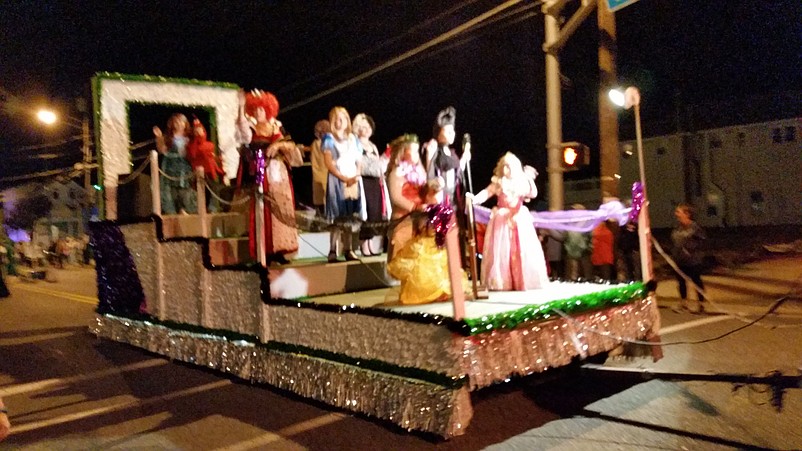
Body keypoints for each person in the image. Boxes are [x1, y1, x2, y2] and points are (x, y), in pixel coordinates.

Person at [236, 89, 303, 265]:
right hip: (261, 172)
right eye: (256, 109)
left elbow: (290, 144)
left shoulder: (276, 126)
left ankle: (280, 249)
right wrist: (241, 107)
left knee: (282, 207)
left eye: (262, 109)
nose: (259, 112)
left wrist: (278, 146)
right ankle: (266, 250)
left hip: (279, 174)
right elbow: (243, 134)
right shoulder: (250, 128)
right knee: (264, 208)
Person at [385, 134, 453, 304]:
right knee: (407, 257)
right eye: (413, 151)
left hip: (421, 219)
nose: (416, 154)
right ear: (403, 152)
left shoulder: (420, 170)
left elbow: (425, 190)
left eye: (417, 151)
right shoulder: (396, 172)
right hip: (404, 219)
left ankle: (425, 290)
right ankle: (409, 292)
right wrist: (414, 207)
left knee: (422, 257)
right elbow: (396, 197)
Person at [468, 153, 549, 291]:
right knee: (502, 250)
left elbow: (533, 193)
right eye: (504, 166)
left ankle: (524, 281)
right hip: (502, 219)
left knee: (523, 249)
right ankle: (504, 281)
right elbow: (487, 193)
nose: (506, 170)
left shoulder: (520, 181)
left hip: (519, 218)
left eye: (509, 167)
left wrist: (529, 179)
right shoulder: (499, 182)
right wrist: (473, 199)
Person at [322, 107, 364, 263]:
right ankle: (332, 250)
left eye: (342, 119)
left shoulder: (353, 139)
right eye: (336, 119)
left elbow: (359, 161)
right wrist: (342, 177)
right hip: (337, 180)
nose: (339, 123)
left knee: (350, 216)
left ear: (347, 120)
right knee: (336, 216)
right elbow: (328, 162)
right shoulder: (329, 139)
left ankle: (348, 249)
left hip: (352, 180)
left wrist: (356, 175)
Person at [353, 113, 389, 256]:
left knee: (374, 213)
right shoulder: (355, 143)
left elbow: (379, 164)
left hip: (374, 181)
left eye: (368, 126)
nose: (366, 129)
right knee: (365, 212)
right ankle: (363, 244)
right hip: (363, 181)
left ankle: (370, 243)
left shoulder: (373, 146)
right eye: (362, 127)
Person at [422, 106, 471, 206]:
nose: (452, 134)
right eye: (447, 131)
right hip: (439, 201)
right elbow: (430, 177)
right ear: (439, 135)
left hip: (453, 200)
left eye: (452, 131)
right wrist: (435, 183)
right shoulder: (436, 153)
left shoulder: (452, 154)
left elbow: (458, 170)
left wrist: (465, 156)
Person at [153, 113, 197, 214]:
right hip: (171, 165)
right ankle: (174, 210)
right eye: (176, 121)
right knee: (171, 189)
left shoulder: (190, 137)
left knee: (186, 188)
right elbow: (162, 150)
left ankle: (185, 209)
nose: (179, 124)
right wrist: (159, 137)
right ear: (172, 124)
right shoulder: (168, 137)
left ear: (185, 123)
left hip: (185, 165)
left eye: (182, 121)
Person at [186, 117, 228, 213]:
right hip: (198, 171)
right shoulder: (191, 145)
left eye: (200, 129)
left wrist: (220, 163)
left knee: (213, 189)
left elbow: (211, 157)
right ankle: (200, 208)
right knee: (200, 190)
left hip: (210, 171)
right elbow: (193, 154)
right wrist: (196, 139)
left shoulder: (209, 145)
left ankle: (212, 208)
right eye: (196, 130)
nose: (198, 132)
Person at [671, 203, 707, 311]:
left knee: (696, 281)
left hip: (693, 260)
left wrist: (692, 249)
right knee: (681, 282)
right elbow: (675, 241)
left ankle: (700, 304)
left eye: (678, 212)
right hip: (680, 259)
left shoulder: (695, 227)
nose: (676, 214)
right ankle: (683, 302)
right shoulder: (678, 228)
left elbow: (703, 241)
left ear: (687, 214)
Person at [564, 205, 593, 281]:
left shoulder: (587, 223)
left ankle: (588, 280)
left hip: (583, 250)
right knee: (572, 270)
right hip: (571, 250)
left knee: (586, 269)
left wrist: (589, 247)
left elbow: (590, 236)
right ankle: (572, 280)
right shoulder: (570, 223)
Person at [308, 119, 331, 215]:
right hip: (327, 174)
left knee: (319, 201)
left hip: (317, 175)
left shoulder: (314, 144)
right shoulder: (327, 143)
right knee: (327, 199)